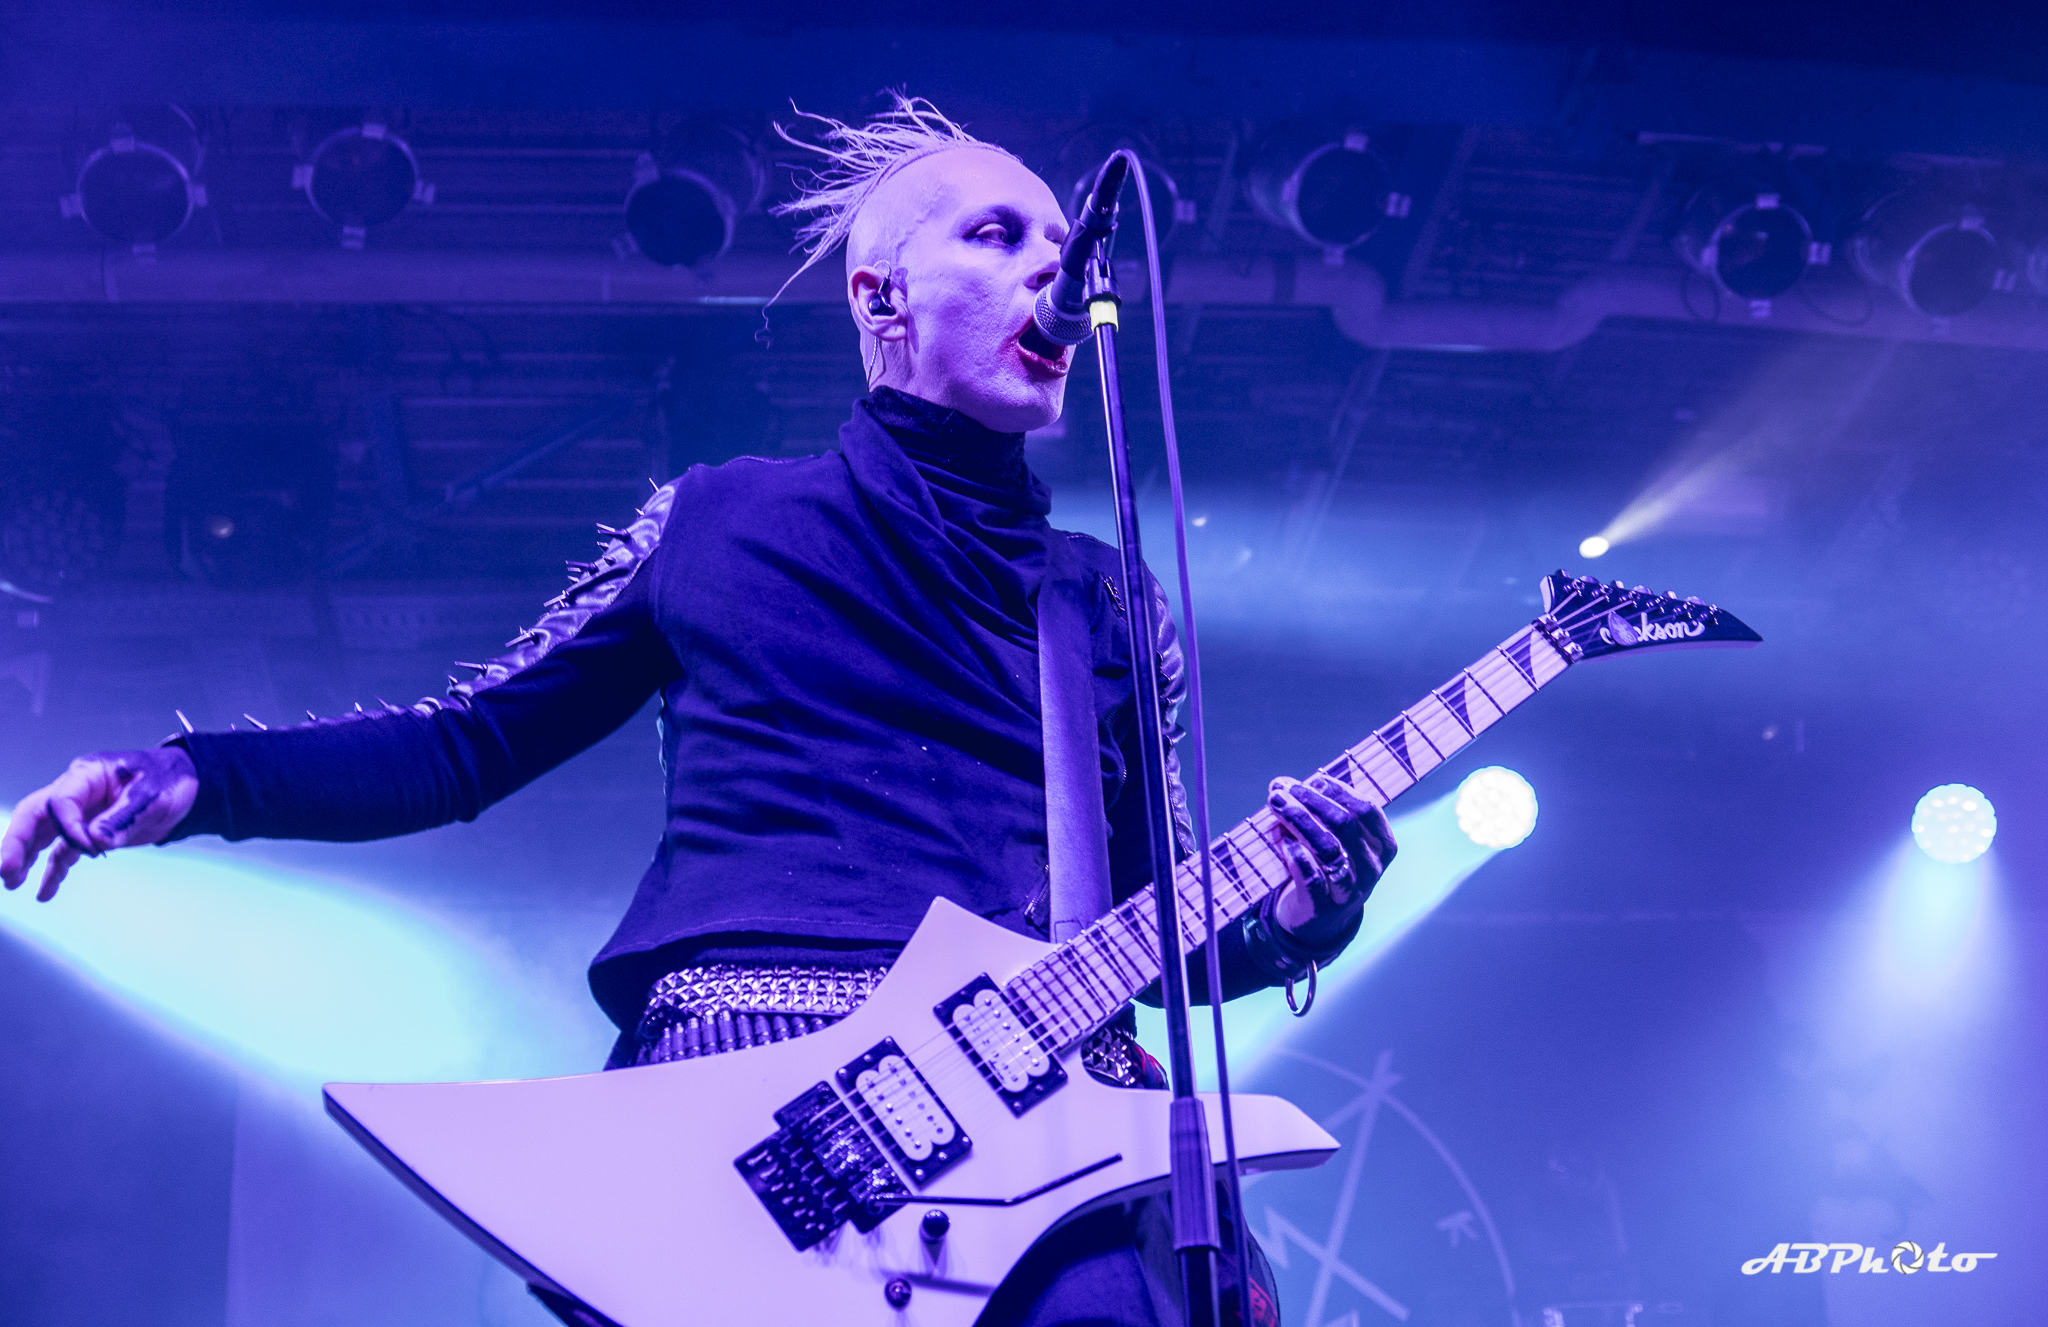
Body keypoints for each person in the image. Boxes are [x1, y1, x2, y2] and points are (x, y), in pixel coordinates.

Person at [1, 96, 1395, 1326]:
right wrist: (199, 778)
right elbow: (465, 743)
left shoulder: (1105, 600)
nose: (1051, 265)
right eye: (996, 235)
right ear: (881, 295)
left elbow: (1153, 937)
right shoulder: (719, 522)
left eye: (1056, 242)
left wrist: (1303, 909)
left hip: (1041, 1124)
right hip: (759, 1095)